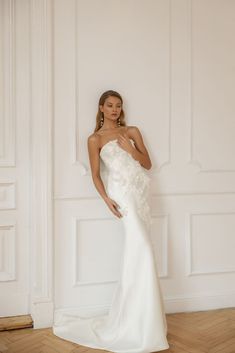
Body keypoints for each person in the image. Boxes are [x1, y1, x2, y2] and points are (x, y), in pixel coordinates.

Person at [53, 90, 170, 352]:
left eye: (118, 106)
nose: (115, 109)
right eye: (110, 105)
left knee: (141, 253)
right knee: (143, 251)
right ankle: (135, 323)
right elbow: (95, 174)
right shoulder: (94, 139)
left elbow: (147, 164)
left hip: (139, 194)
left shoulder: (132, 132)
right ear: (101, 108)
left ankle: (142, 323)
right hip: (121, 196)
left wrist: (130, 149)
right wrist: (106, 199)